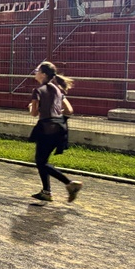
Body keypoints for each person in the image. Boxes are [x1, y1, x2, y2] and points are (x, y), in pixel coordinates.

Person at [28, 61, 83, 203]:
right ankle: (46, 192)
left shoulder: (38, 91)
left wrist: (31, 107)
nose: (35, 73)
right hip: (60, 128)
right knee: (42, 160)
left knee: (41, 162)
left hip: (46, 128)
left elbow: (34, 113)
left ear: (43, 74)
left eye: (37, 71)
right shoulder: (58, 90)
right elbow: (69, 110)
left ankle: (70, 184)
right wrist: (56, 114)